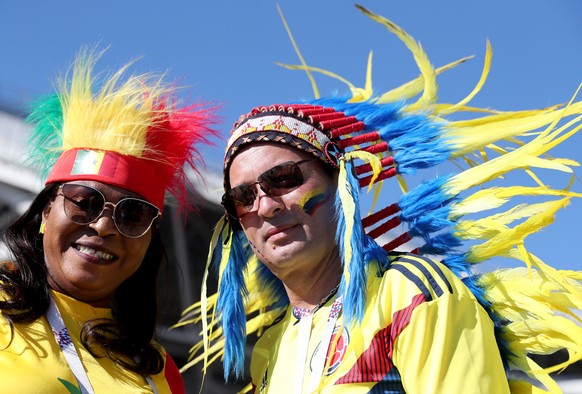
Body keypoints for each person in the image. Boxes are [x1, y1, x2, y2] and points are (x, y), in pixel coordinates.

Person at [182, 6, 582, 394]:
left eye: (284, 178)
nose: (266, 206)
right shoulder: (270, 351)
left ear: (341, 186)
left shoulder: (414, 294)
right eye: (242, 197)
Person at [0, 49, 216, 393]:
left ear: (149, 239)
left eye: (133, 214)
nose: (103, 226)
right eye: (84, 202)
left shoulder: (157, 367)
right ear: (45, 212)